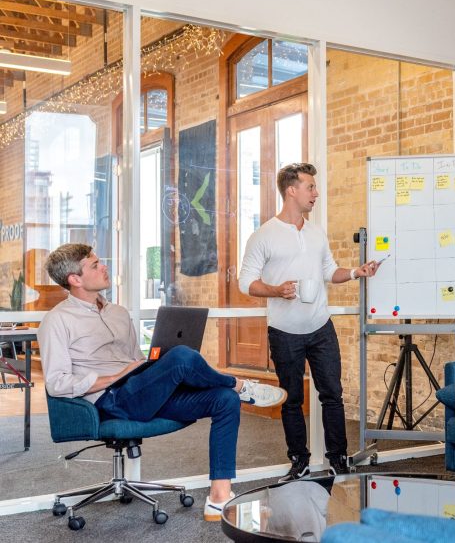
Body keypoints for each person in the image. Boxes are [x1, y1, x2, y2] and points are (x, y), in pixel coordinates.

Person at [38, 243, 287, 522]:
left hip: (141, 391)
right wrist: (113, 377)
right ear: (75, 279)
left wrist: (150, 366)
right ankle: (239, 385)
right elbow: (57, 383)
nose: (104, 266)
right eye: (95, 265)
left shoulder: (117, 313)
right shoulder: (57, 321)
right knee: (182, 357)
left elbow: (135, 360)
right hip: (112, 400)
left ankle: (219, 497)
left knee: (223, 399)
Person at [239, 162, 380, 481]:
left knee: (332, 393)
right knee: (291, 397)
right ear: (292, 190)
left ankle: (337, 458)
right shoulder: (264, 235)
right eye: (310, 187)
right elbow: (245, 282)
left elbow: (330, 271)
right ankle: (299, 460)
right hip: (284, 332)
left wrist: (357, 272)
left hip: (321, 328)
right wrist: (276, 289)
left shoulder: (316, 233)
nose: (316, 193)